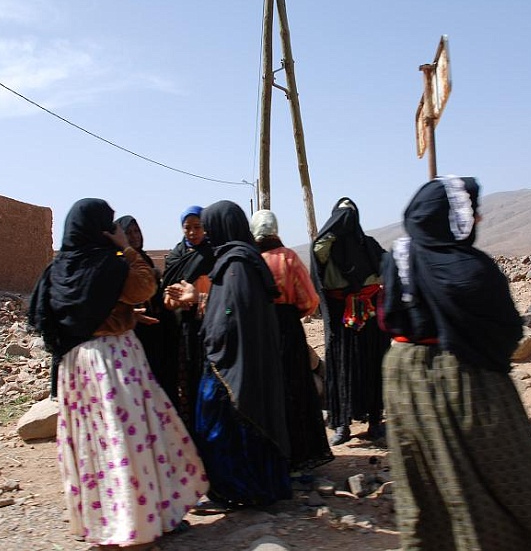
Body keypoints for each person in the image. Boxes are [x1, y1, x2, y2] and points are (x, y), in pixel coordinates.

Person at [379, 177, 531, 551]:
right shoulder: (471, 269)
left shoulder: (397, 256)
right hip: (468, 381)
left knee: (426, 479)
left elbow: (388, 317)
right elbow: (505, 332)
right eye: (471, 211)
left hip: (403, 378)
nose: (479, 218)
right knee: (508, 480)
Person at [28, 198, 206, 550]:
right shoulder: (110, 264)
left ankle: (104, 520)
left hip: (76, 367)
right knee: (130, 439)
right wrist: (126, 249)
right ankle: (138, 521)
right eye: (112, 225)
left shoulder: (59, 269)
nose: (118, 231)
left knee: (95, 443)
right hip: (113, 362)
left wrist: (126, 316)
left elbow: (75, 314)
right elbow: (144, 287)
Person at [166, 200, 291, 509]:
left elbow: (228, 318)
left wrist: (200, 309)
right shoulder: (239, 260)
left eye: (209, 226)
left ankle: (239, 488)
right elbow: (230, 307)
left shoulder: (235, 264)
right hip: (242, 361)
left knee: (216, 426)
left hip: (231, 366)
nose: (206, 233)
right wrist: (199, 299)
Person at [250, 209, 334, 478]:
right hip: (288, 330)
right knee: (296, 388)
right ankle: (303, 456)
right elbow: (309, 299)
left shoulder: (250, 259)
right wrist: (292, 314)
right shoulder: (288, 258)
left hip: (261, 333)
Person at [310, 197, 388, 445]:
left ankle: (375, 422)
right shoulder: (327, 249)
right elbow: (317, 250)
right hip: (340, 317)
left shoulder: (370, 246)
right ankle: (342, 424)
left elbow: (387, 269)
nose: (346, 221)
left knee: (372, 366)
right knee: (342, 369)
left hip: (371, 318)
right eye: (340, 217)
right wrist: (336, 228)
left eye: (350, 216)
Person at [160, 205, 215, 434]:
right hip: (183, 326)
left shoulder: (214, 253)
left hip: (210, 323)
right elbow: (167, 294)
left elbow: (221, 293)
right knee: (187, 380)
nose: (192, 232)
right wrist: (177, 301)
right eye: (187, 228)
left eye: (197, 227)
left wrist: (199, 298)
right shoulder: (175, 257)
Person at [114, 215, 179, 404]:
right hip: (135, 333)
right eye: (128, 233)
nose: (134, 236)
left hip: (157, 331)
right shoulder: (119, 262)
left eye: (136, 231)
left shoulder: (144, 260)